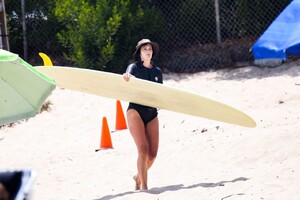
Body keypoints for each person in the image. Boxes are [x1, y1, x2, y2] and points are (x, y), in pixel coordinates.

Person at [123, 39, 163, 190]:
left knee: (152, 155)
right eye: (145, 49)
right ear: (140, 53)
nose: (148, 51)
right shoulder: (134, 67)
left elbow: (160, 93)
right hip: (136, 111)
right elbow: (128, 75)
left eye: (150, 49)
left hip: (152, 113)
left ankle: (138, 176)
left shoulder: (157, 72)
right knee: (143, 150)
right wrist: (127, 77)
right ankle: (144, 187)